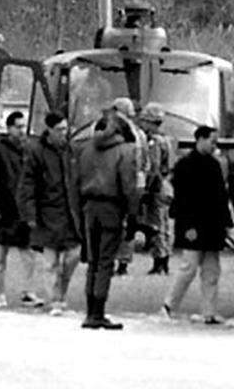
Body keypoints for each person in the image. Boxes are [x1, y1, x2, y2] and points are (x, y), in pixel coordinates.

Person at [162, 125, 232, 325]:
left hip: (211, 225)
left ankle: (208, 311)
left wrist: (226, 224)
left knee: (211, 271)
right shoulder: (185, 166)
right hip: (193, 224)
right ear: (200, 139)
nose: (214, 145)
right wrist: (189, 226)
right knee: (189, 268)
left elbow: (220, 197)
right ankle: (169, 304)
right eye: (212, 141)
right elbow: (183, 199)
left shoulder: (213, 165)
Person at [17, 111, 83, 315]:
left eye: (66, 129)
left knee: (73, 256)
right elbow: (26, 185)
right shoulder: (36, 152)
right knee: (50, 262)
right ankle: (54, 300)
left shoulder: (72, 151)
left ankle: (60, 293)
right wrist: (29, 214)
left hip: (70, 213)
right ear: (50, 130)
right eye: (60, 129)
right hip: (47, 214)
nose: (64, 133)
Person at [76, 115, 138, 329]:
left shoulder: (85, 149)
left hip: (88, 207)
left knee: (93, 261)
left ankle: (90, 310)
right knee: (105, 261)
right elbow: (128, 186)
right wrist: (133, 215)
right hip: (112, 207)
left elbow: (77, 180)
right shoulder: (125, 151)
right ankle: (98, 312)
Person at [0, 110, 43, 309]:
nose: (22, 130)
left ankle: (29, 292)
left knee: (29, 254)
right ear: (9, 128)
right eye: (18, 127)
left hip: (22, 211)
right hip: (2, 209)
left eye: (24, 126)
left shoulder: (31, 149)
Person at [137, 102, 176, 275]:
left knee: (157, 225)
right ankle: (164, 259)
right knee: (165, 225)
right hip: (167, 185)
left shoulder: (154, 142)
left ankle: (160, 262)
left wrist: (147, 189)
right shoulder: (169, 139)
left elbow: (154, 167)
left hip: (158, 186)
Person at [110, 97, 148, 276]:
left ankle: (111, 260)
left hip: (118, 184)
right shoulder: (140, 134)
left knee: (115, 223)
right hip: (136, 185)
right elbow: (147, 163)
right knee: (130, 224)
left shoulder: (114, 132)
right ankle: (124, 262)